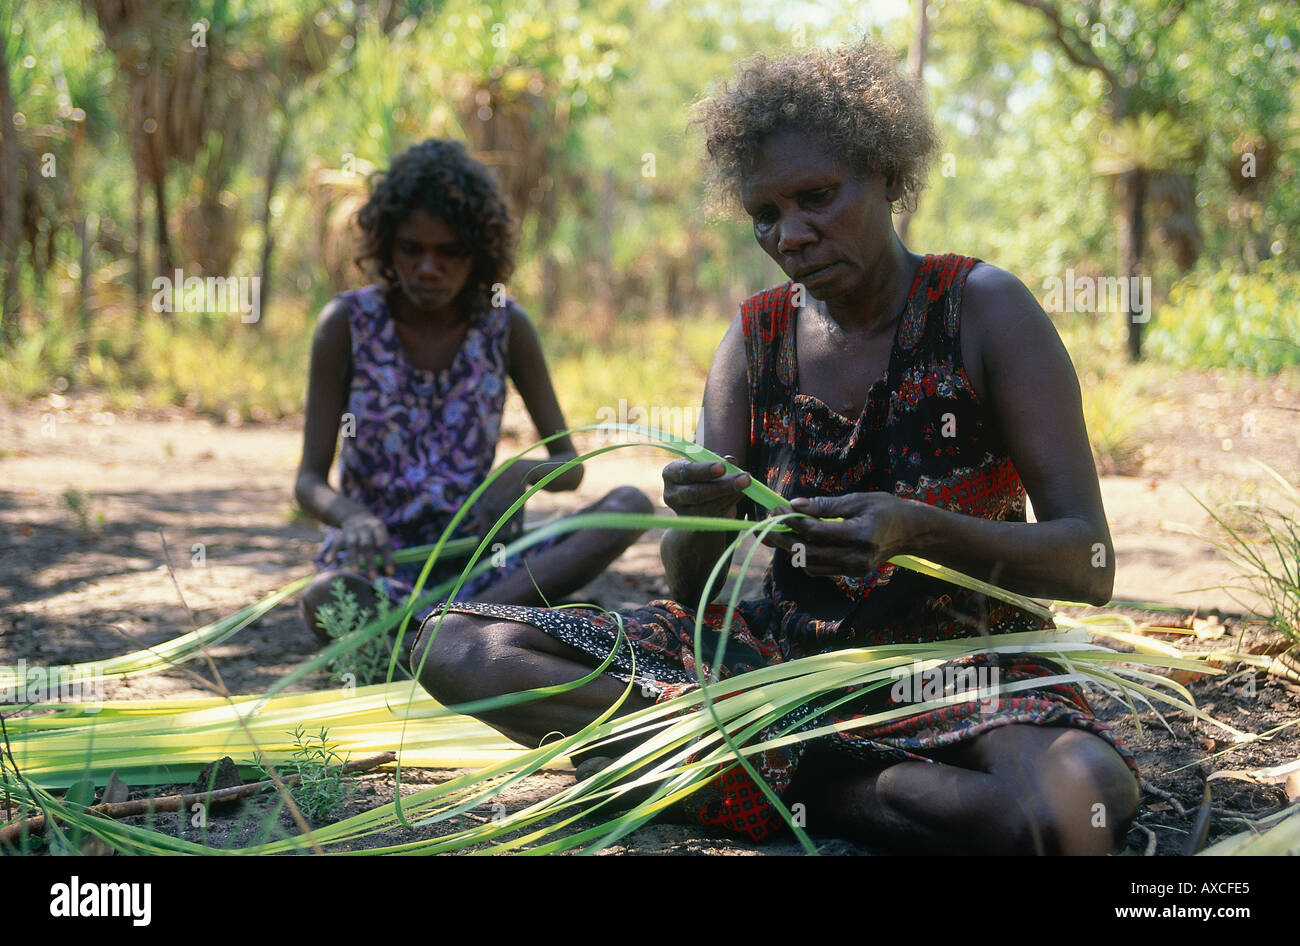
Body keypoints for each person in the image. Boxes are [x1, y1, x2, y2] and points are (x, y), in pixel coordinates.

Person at [408, 42, 1139, 855]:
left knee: (1077, 807)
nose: (791, 234)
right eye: (766, 214)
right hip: (772, 666)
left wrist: (918, 530)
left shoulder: (983, 310)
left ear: (891, 175)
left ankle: (757, 781)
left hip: (960, 668)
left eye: (818, 197)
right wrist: (703, 518)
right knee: (457, 645)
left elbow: (1091, 564)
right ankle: (804, 778)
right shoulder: (755, 338)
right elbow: (694, 593)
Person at [294, 138, 652, 641]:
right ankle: (475, 632)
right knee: (326, 597)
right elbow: (308, 482)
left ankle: (436, 635)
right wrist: (352, 518)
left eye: (450, 252)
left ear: (479, 252)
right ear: (386, 245)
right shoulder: (346, 325)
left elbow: (570, 467)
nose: (428, 268)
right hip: (381, 568)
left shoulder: (506, 328)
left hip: (483, 568)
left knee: (629, 506)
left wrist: (521, 473)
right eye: (411, 249)